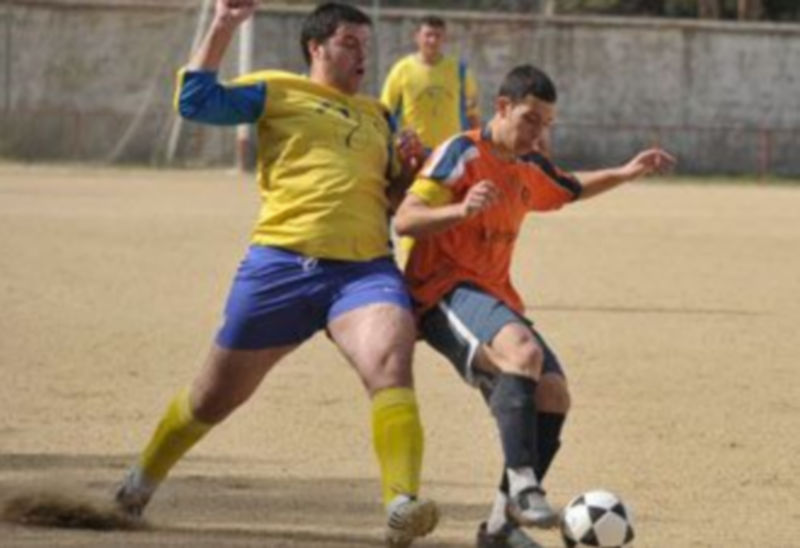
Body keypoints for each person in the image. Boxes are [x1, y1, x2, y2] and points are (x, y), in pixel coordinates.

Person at [114, 2, 438, 547]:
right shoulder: (278, 90)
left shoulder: (380, 115)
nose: (362, 55)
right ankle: (137, 486)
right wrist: (223, 25)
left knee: (390, 360)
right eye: (350, 43)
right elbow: (195, 102)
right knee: (212, 397)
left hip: (364, 271)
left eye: (366, 45)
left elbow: (395, 199)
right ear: (316, 47)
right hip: (282, 266)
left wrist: (409, 169)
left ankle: (401, 504)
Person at [393, 64, 675, 548]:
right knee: (523, 353)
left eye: (546, 124)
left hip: (494, 296)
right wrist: (461, 209)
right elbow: (406, 219)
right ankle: (524, 485)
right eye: (530, 119)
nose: (537, 133)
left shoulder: (529, 165)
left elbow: (571, 186)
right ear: (502, 107)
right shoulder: (462, 151)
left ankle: (499, 530)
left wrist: (626, 172)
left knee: (553, 395)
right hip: (441, 291)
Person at [381, 15, 481, 152]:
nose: (432, 41)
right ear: (417, 37)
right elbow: (385, 113)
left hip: (451, 151)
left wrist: (478, 147)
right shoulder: (401, 70)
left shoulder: (460, 71)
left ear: (444, 39)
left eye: (437, 36)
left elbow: (472, 114)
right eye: (428, 35)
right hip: (414, 151)